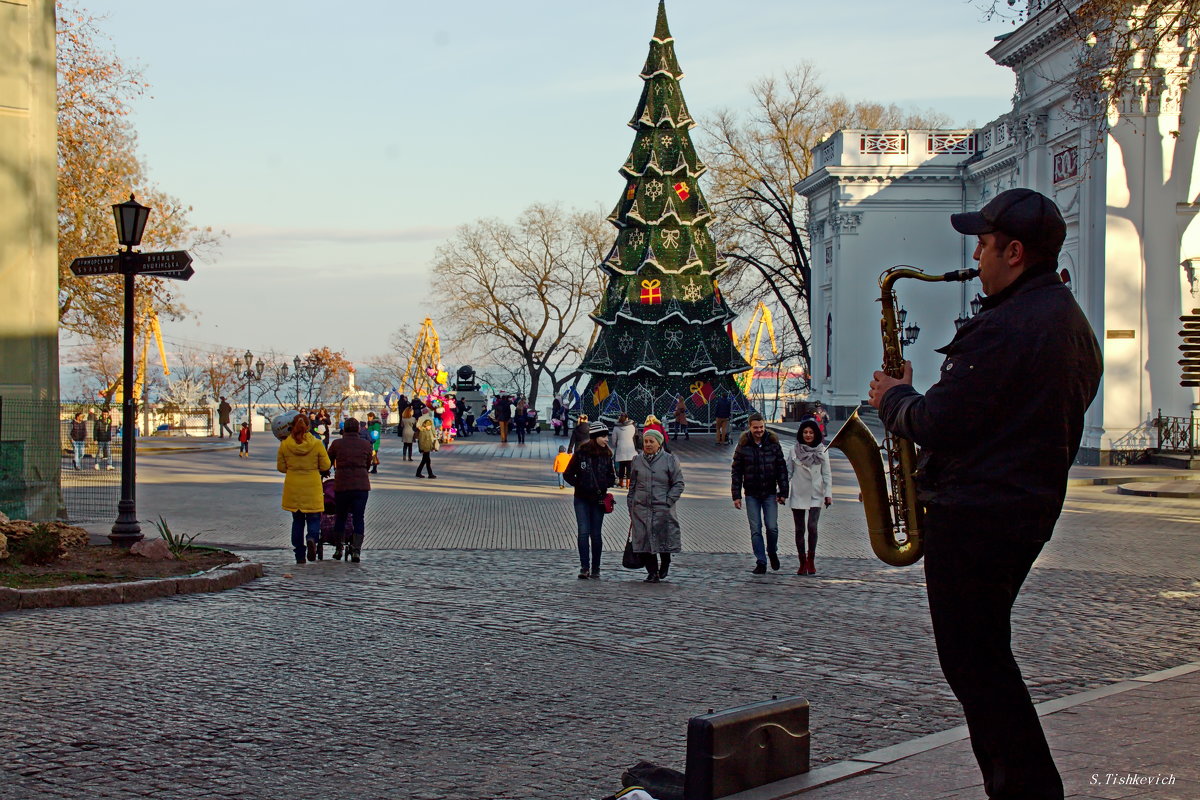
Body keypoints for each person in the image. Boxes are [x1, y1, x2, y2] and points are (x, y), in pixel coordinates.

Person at [868, 188, 1102, 800]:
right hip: (1020, 514)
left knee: (977, 665)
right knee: (983, 660)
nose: (975, 255)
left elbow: (943, 424)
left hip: (977, 520)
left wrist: (894, 399)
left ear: (1015, 252)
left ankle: (1023, 788)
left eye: (984, 243)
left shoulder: (1008, 327)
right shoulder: (1067, 321)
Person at [731, 413, 788, 574]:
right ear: (749, 427)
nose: (759, 430)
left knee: (772, 527)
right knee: (755, 529)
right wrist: (736, 495)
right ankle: (761, 561)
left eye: (761, 427)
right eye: (755, 428)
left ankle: (772, 551)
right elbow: (736, 471)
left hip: (770, 492)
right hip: (751, 494)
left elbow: (781, 469)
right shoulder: (743, 445)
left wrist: (783, 491)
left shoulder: (773, 443)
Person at [627, 428, 684, 583]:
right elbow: (632, 485)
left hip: (662, 508)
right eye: (645, 441)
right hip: (641, 508)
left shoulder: (670, 460)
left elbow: (678, 484)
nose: (648, 444)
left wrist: (668, 501)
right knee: (644, 541)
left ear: (659, 443)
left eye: (651, 441)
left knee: (662, 539)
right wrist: (631, 504)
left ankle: (665, 562)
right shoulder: (637, 460)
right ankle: (652, 572)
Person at [276, 414, 332, 564]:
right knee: (314, 518)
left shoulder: (285, 444)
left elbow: (281, 467)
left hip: (293, 488)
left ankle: (299, 554)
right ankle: (312, 538)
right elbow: (326, 465)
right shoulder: (317, 444)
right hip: (312, 486)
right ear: (308, 426)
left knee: (297, 521)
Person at [563, 421, 616, 579]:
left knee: (596, 534)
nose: (607, 439)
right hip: (581, 498)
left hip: (598, 500)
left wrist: (602, 486)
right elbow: (567, 474)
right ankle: (584, 567)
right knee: (583, 532)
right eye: (604, 436)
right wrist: (580, 484)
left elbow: (611, 478)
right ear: (595, 437)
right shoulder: (581, 454)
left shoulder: (607, 455)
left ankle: (596, 567)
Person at [786, 420, 831, 575]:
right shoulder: (793, 450)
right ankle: (802, 561)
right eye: (805, 432)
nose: (808, 435)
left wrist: (828, 494)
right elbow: (788, 473)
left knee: (812, 526)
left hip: (816, 494)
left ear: (815, 434)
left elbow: (827, 475)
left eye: (811, 432)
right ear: (801, 434)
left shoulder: (822, 451)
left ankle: (811, 558)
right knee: (800, 529)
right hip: (798, 493)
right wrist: (782, 491)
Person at [327, 417, 372, 562]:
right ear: (358, 429)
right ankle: (356, 550)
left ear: (344, 429)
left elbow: (327, 461)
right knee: (359, 518)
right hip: (361, 486)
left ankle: (339, 548)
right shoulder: (365, 444)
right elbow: (368, 464)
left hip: (342, 485)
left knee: (340, 516)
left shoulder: (337, 444)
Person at [611, 413, 637, 488]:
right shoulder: (632, 427)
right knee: (629, 467)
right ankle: (628, 484)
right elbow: (633, 436)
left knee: (621, 466)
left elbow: (613, 440)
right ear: (627, 418)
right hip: (630, 447)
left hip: (620, 448)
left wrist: (617, 444)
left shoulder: (616, 428)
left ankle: (621, 482)